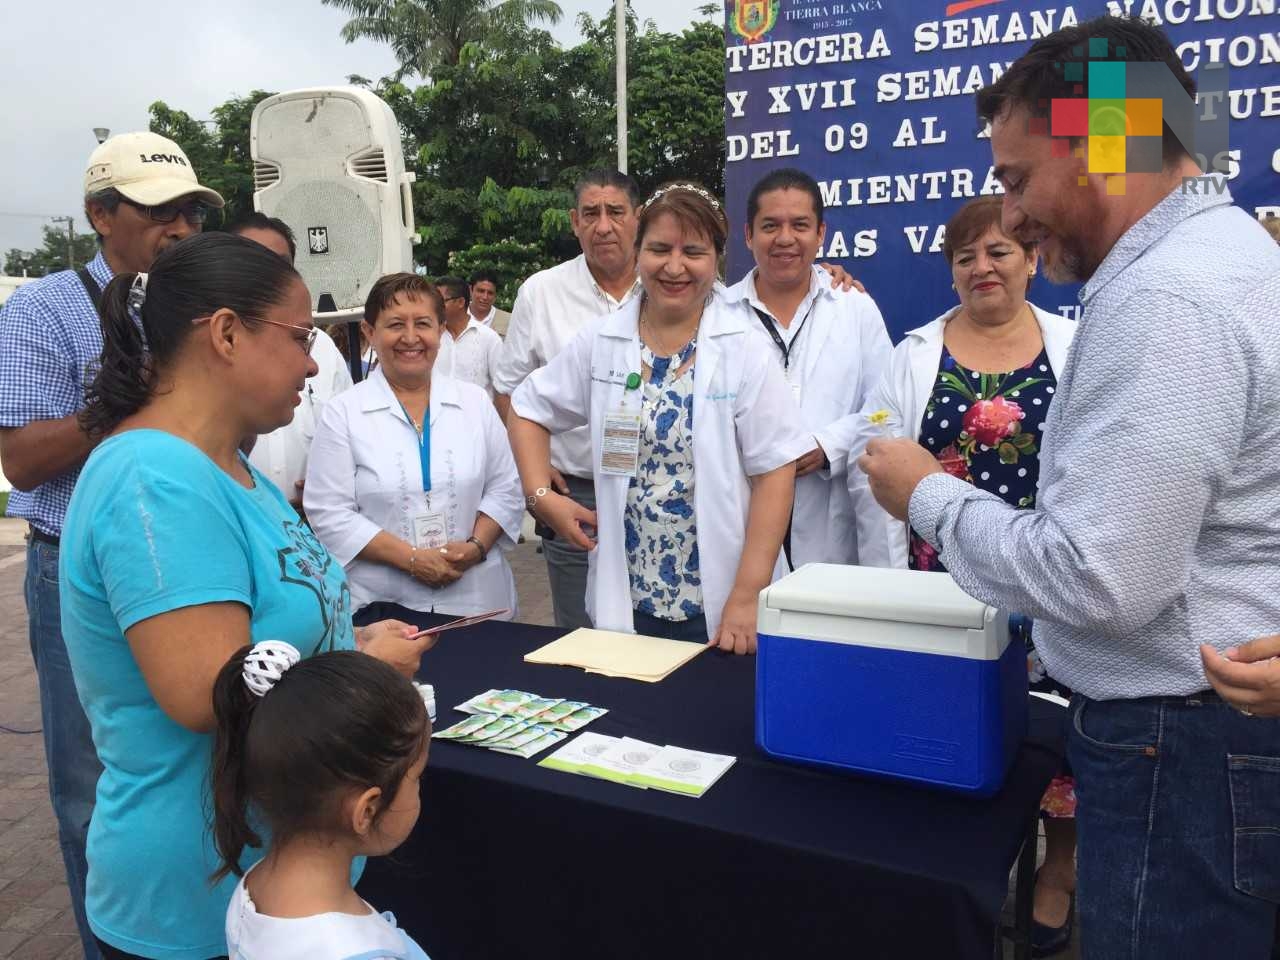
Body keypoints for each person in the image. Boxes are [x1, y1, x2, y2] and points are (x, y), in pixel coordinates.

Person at [857, 17, 1280, 958]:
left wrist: (927, 493)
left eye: (1014, 180)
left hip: (1181, 746)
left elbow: (1101, 579)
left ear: (1102, 142)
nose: (1006, 219)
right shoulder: (1235, 260)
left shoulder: (1170, 298)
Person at [58, 233, 434, 959]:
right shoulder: (154, 479)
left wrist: (352, 650)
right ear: (227, 334)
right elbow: (216, 692)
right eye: (299, 337)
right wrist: (366, 674)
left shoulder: (233, 470)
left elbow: (267, 653)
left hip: (261, 883)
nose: (314, 360)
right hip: (190, 895)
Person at [0, 130, 225, 960]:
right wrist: (116, 410)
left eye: (190, 214)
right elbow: (20, 457)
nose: (179, 229)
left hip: (190, 557)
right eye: (158, 211)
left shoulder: (198, 306)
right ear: (101, 214)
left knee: (196, 760)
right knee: (94, 788)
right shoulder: (44, 310)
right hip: (79, 570)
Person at [855, 196, 1078, 954]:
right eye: (966, 257)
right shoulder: (913, 352)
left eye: (1000, 252)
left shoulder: (1075, 347)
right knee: (948, 731)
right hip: (939, 585)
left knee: (1059, 749)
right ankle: (960, 881)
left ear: (1033, 261)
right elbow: (878, 463)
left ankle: (1057, 873)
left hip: (1045, 586)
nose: (983, 268)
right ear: (950, 272)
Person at [509, 182, 810, 652]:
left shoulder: (745, 346)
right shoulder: (603, 340)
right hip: (626, 600)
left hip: (721, 602)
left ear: (716, 259)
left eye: (693, 251)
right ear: (638, 250)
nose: (674, 267)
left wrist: (748, 595)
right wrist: (541, 496)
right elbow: (528, 407)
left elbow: (775, 472)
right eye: (659, 249)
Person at [306, 273, 524, 619]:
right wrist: (411, 559)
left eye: (423, 323)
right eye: (395, 325)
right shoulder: (344, 413)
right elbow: (329, 512)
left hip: (478, 596)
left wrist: (476, 547)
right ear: (369, 333)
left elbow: (506, 488)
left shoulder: (474, 403)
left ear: (440, 330)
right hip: (382, 605)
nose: (411, 338)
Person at [493, 169, 645, 630]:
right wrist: (536, 476)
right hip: (577, 493)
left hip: (662, 489)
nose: (604, 226)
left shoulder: (671, 282)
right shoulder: (541, 292)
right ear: (574, 222)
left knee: (666, 629)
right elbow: (509, 390)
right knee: (583, 635)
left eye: (616, 212)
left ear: (638, 218)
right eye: (591, 214)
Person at [723, 168, 895, 570]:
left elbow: (887, 410)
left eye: (799, 225)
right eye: (770, 226)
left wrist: (827, 446)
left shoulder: (855, 308)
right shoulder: (718, 315)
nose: (785, 238)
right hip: (742, 515)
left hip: (830, 522)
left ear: (820, 234)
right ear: (749, 235)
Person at [214, 644, 432, 959]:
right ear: (366, 810)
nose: (419, 791)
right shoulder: (349, 949)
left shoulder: (256, 888)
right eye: (418, 778)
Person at [230, 213, 353, 508]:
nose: (266, 276)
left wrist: (328, 484)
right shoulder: (204, 348)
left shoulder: (321, 347)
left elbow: (350, 435)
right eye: (253, 262)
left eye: (278, 265)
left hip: (313, 525)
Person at [434, 274, 502, 398]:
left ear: (460, 302)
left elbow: (501, 388)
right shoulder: (432, 336)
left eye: (440, 301)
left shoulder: (489, 338)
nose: (434, 306)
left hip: (477, 416)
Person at [468, 269, 510, 337]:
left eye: (490, 293)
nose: (485, 297)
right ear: (470, 290)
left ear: (495, 295)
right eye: (481, 291)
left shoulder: (508, 321)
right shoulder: (456, 316)